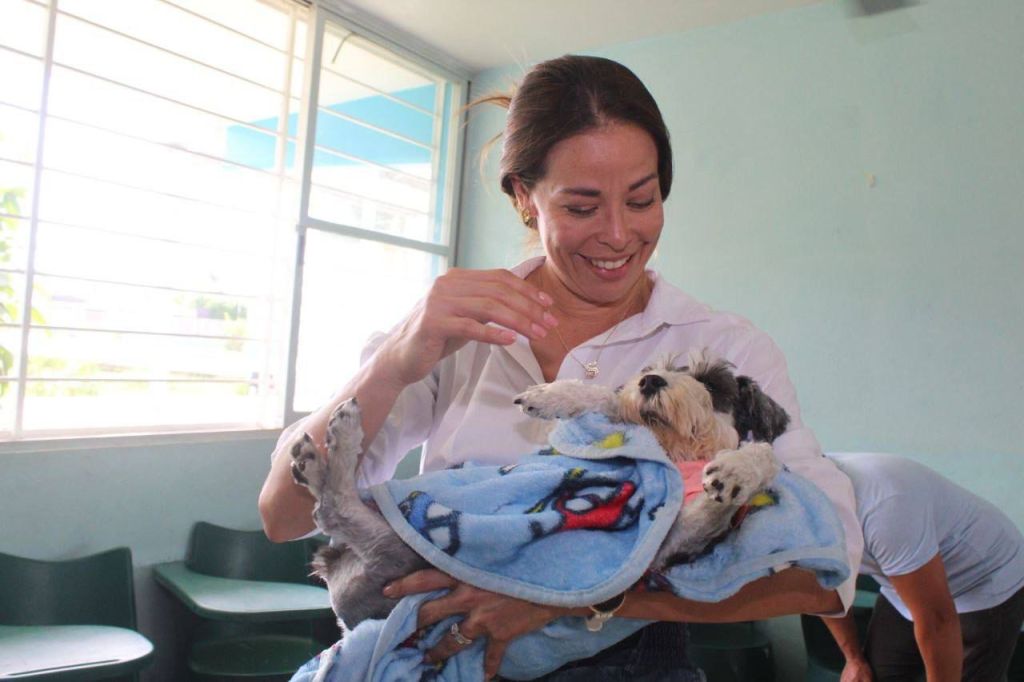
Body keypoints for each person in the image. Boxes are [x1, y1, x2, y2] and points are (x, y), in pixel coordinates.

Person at [259, 54, 864, 681]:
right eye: (581, 207)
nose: (618, 234)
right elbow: (283, 515)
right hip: (436, 651)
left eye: (642, 199)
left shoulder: (722, 352)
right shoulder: (457, 333)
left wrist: (586, 597)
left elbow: (829, 567)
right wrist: (391, 364)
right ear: (524, 197)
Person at [822, 452, 1024, 682]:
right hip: (905, 579)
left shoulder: (883, 506)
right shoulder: (788, 514)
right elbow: (823, 585)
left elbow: (937, 620)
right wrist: (854, 660)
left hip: (983, 578)